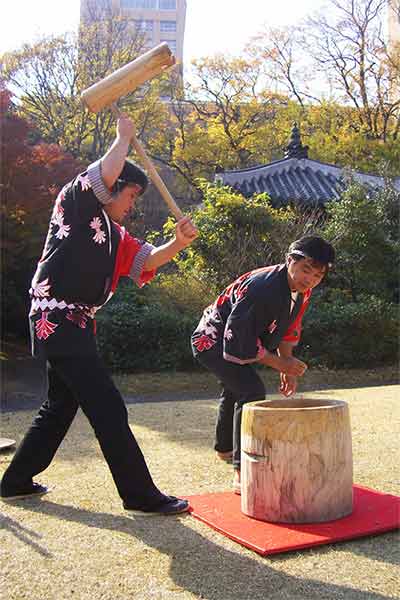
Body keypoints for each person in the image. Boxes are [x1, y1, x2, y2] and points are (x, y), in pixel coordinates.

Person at [1, 114, 198, 516]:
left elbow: (147, 259)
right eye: (130, 195)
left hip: (73, 323)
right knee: (107, 406)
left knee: (61, 404)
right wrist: (123, 137)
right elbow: (103, 173)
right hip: (56, 316)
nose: (131, 205)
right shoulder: (76, 200)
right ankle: (139, 494)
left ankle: (15, 481)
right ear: (113, 188)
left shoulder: (115, 235)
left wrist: (177, 243)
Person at [191, 236, 335, 494]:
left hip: (233, 338)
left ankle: (224, 448)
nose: (310, 279)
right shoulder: (263, 288)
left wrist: (287, 363)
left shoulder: (301, 292)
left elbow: (289, 329)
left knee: (236, 386)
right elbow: (240, 339)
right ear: (290, 260)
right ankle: (242, 469)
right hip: (210, 340)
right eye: (305, 270)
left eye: (317, 275)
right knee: (251, 390)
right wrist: (280, 363)